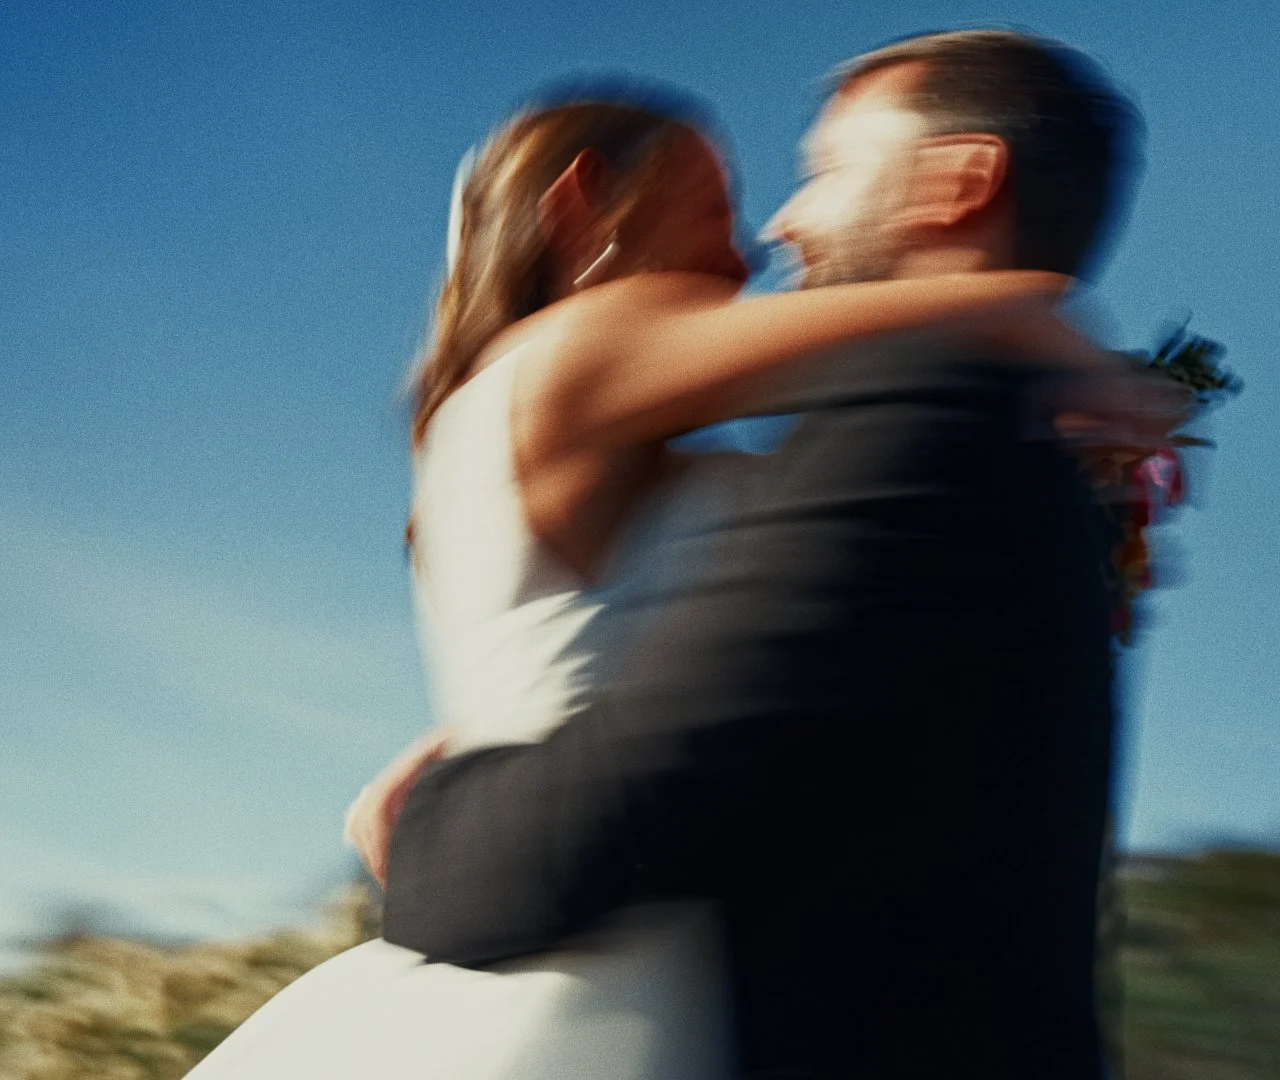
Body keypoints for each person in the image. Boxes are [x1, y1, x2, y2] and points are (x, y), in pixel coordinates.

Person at [189, 40, 1151, 1080]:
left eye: (814, 177)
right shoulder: (588, 343)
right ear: (584, 207)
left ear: (957, 179)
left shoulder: (878, 435)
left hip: (600, 915)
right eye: (714, 209)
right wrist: (1056, 330)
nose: (755, 249)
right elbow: (967, 320)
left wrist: (457, 763)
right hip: (585, 960)